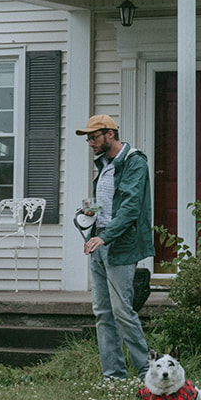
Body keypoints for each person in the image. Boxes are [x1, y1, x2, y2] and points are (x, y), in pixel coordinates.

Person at [77, 113, 153, 380]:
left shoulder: (134, 163)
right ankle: (113, 376)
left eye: (94, 137)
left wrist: (105, 237)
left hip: (118, 244)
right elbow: (110, 203)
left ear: (110, 134)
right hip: (98, 242)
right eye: (88, 139)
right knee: (102, 313)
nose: (90, 143)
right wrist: (91, 211)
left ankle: (146, 371)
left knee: (122, 311)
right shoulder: (105, 164)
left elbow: (131, 207)